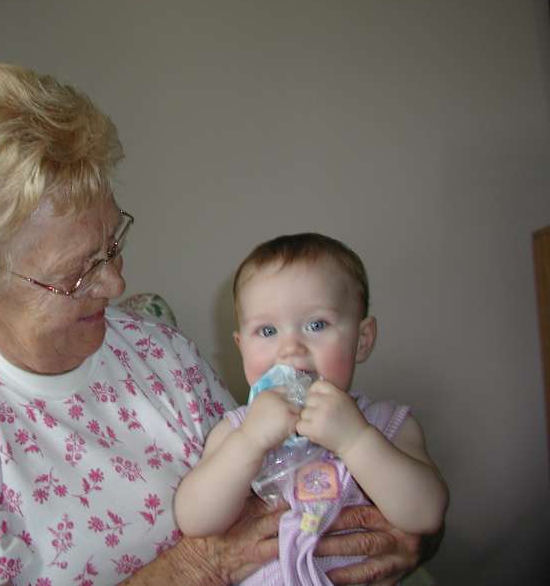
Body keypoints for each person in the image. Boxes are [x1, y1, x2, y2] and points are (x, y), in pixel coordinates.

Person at [0, 63, 436, 585]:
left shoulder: (160, 354)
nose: (116, 285)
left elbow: (293, 493)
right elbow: (224, 550)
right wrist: (195, 569)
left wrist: (399, 536)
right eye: (76, 273)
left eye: (112, 245)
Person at [174, 233, 449, 584]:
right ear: (242, 347)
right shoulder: (236, 430)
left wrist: (355, 440)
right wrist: (250, 441)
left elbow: (426, 514)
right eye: (267, 330)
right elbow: (195, 520)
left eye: (316, 325)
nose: (290, 348)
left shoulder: (389, 424)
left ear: (362, 340)